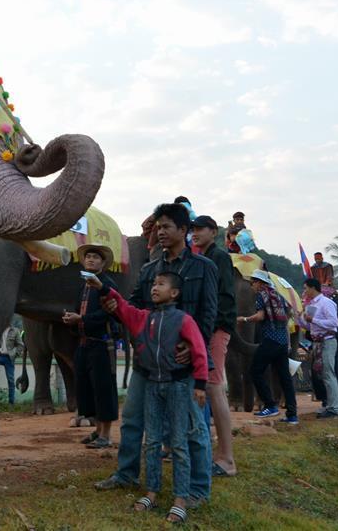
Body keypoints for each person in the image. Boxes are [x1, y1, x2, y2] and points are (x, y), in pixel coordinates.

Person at [95, 202, 217, 511]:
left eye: (166, 227)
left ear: (183, 230)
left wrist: (194, 346)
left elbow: (210, 314)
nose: (159, 232)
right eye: (157, 227)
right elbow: (136, 305)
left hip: (184, 365)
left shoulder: (204, 268)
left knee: (192, 428)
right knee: (134, 420)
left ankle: (198, 490)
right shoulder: (150, 269)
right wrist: (118, 310)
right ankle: (126, 474)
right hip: (148, 361)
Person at [86, 270, 208, 525]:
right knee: (152, 441)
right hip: (152, 385)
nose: (154, 288)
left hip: (176, 386)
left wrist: (200, 383)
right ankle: (151, 493)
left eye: (161, 284)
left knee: (178, 443)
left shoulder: (184, 320)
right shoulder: (143, 318)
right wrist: (103, 288)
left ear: (174, 293)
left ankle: (181, 499)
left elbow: (198, 350)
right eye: (153, 284)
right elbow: (122, 306)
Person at [190, 215, 238, 476]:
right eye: (192, 229)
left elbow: (224, 296)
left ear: (213, 232)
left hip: (215, 328)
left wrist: (210, 328)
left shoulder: (218, 257)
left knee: (214, 386)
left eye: (199, 229)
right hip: (205, 328)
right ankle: (210, 451)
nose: (194, 233)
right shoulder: (202, 257)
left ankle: (227, 459)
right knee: (205, 385)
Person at [62, 244, 119, 449]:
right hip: (84, 344)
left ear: (103, 263)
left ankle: (106, 434)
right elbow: (80, 311)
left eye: (95, 257)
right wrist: (72, 318)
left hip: (102, 344)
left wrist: (81, 318)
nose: (91, 260)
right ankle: (97, 431)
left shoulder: (107, 284)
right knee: (88, 388)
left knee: (104, 389)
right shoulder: (84, 286)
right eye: (88, 257)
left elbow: (109, 313)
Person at [240, 270, 298, 424]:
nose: (252, 285)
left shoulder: (261, 295)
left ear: (259, 282)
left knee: (255, 371)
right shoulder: (278, 296)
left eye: (253, 282)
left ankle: (270, 405)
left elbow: (260, 316)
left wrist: (244, 319)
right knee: (285, 377)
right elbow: (288, 315)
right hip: (282, 342)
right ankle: (292, 415)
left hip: (270, 339)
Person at [298, 278, 338, 418]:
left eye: (306, 288)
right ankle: (330, 404)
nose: (304, 291)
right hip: (317, 342)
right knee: (323, 375)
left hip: (327, 341)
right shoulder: (312, 304)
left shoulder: (326, 303)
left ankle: (334, 407)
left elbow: (333, 323)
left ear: (313, 288)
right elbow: (310, 327)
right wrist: (299, 319)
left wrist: (313, 320)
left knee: (329, 373)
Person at [0, 319, 24, 405]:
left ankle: (11, 402)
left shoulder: (15, 331)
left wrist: (14, 354)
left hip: (9, 358)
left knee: (11, 380)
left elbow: (20, 345)